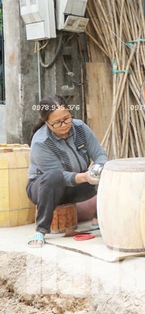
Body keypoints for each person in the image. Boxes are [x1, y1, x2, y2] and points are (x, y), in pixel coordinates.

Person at [26, 95, 107, 247]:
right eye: (57, 122)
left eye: (67, 118)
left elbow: (99, 153)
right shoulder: (41, 142)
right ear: (47, 123)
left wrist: (99, 167)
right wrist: (85, 176)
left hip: (76, 186)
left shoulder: (80, 128)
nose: (64, 125)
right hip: (45, 188)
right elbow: (61, 176)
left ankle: (98, 219)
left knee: (109, 171)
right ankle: (41, 230)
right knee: (53, 176)